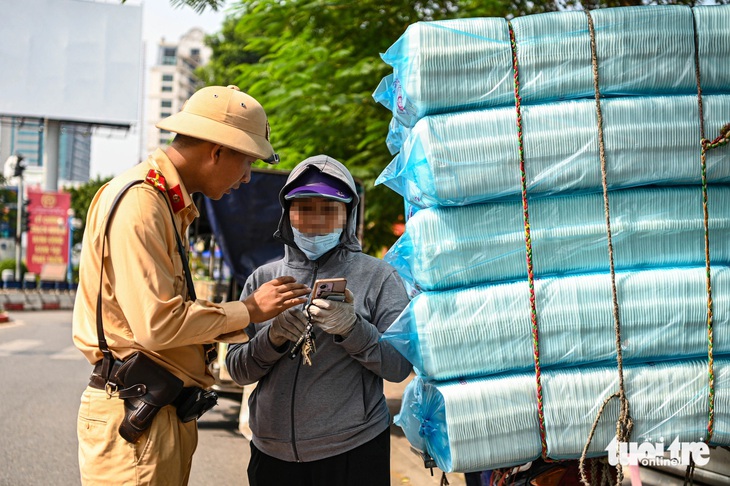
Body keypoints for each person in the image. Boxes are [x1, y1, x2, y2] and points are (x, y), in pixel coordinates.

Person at [72, 85, 311, 485]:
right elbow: (157, 324)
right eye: (246, 162)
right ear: (217, 151)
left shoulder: (166, 204)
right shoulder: (141, 203)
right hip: (137, 415)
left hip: (157, 411)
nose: (247, 177)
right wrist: (249, 310)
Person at [226, 155, 413, 486]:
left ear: (347, 215)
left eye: (329, 209)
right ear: (287, 213)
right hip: (271, 452)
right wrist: (271, 339)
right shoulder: (263, 279)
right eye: (304, 207)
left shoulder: (379, 277)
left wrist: (352, 329)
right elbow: (238, 370)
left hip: (353, 449)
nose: (315, 221)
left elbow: (398, 367)